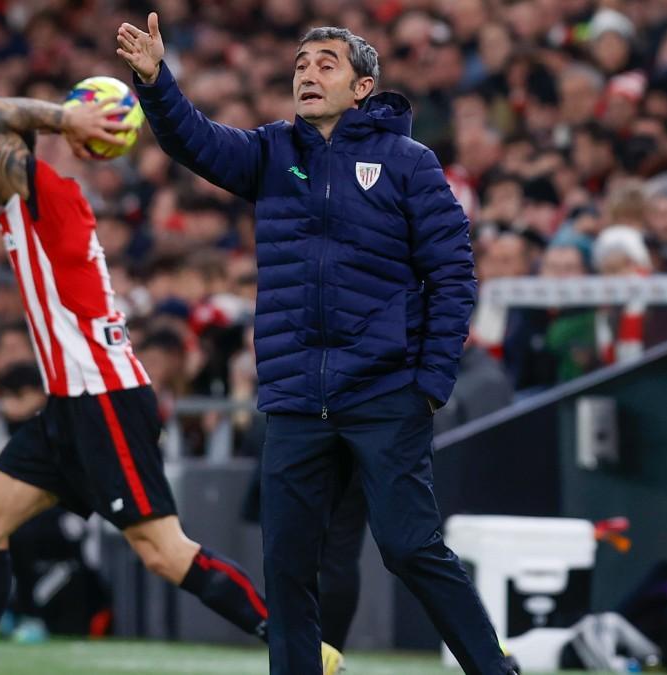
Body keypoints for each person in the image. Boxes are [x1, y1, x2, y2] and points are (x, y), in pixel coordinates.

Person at [119, 17, 515, 675]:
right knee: (288, 560)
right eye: (301, 64)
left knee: (410, 545)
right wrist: (158, 81)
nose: (307, 73)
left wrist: (430, 380)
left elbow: (453, 273)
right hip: (297, 394)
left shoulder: (408, 163)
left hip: (385, 390)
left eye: (325, 63)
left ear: (362, 86)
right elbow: (195, 142)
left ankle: (494, 669)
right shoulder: (272, 151)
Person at [0, 96, 273, 675]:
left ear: (5, 160)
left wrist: (64, 120)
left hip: (106, 399)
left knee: (164, 554)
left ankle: (302, 648)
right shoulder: (26, 208)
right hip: (69, 405)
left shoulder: (54, 198)